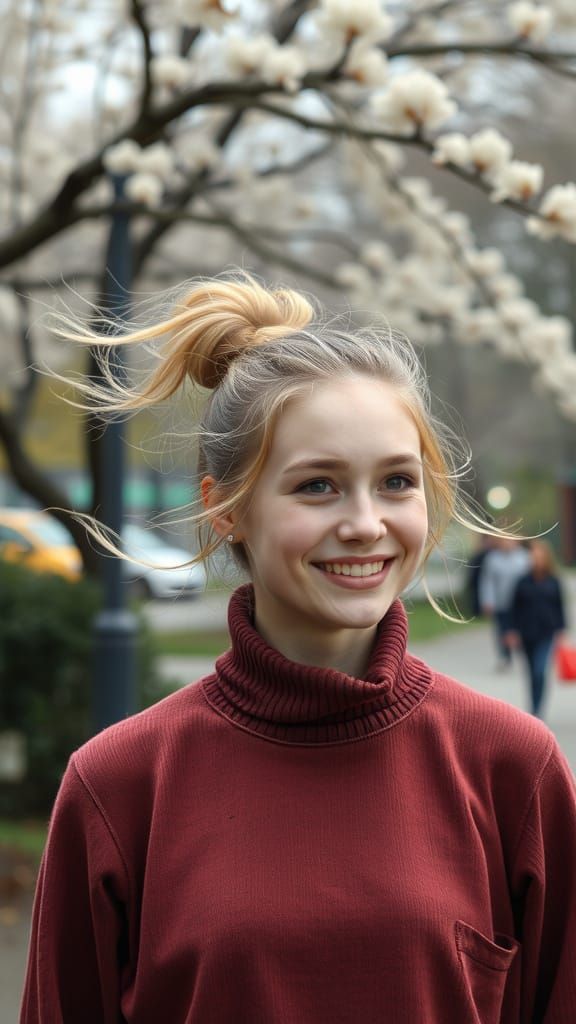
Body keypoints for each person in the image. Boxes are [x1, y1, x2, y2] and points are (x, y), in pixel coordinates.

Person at [21, 275, 576, 1023]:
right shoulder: (120, 785)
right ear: (227, 508)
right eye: (317, 485)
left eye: (396, 483)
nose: (364, 523)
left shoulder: (512, 765)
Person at [507, 540, 567, 719]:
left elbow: (559, 607)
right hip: (526, 633)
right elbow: (514, 608)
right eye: (534, 556)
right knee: (531, 671)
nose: (536, 560)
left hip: (546, 633)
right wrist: (511, 630)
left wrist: (562, 630)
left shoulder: (554, 581)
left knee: (540, 670)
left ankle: (538, 709)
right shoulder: (522, 581)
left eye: (540, 556)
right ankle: (533, 705)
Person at [479, 536, 531, 669]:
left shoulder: (524, 557)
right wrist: (487, 601)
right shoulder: (492, 559)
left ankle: (525, 654)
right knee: (502, 630)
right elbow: (487, 581)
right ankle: (505, 657)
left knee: (521, 629)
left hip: (522, 604)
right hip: (502, 602)